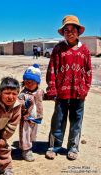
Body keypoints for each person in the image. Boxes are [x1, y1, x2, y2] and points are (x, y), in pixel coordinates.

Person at [45, 15, 92, 160]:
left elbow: (88, 71)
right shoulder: (58, 49)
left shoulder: (84, 50)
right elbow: (52, 69)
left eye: (72, 29)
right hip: (61, 93)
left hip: (79, 93)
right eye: (66, 29)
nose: (69, 32)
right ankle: (54, 147)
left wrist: (85, 88)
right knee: (58, 120)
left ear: (78, 32)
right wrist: (52, 88)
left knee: (76, 122)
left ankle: (73, 148)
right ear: (63, 32)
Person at [0, 77, 21, 175]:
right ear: (0, 92)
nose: (10, 97)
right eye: (7, 93)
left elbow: (13, 124)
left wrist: (3, 138)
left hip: (0, 132)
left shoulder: (17, 106)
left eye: (14, 94)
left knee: (3, 148)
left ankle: (6, 167)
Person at [19, 63, 44, 162]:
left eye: (32, 82)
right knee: (25, 134)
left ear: (37, 83)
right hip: (26, 118)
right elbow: (19, 104)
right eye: (27, 82)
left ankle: (31, 145)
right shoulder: (22, 94)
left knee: (33, 134)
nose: (29, 84)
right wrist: (25, 103)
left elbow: (45, 97)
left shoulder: (40, 92)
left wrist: (53, 97)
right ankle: (26, 150)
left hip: (36, 117)